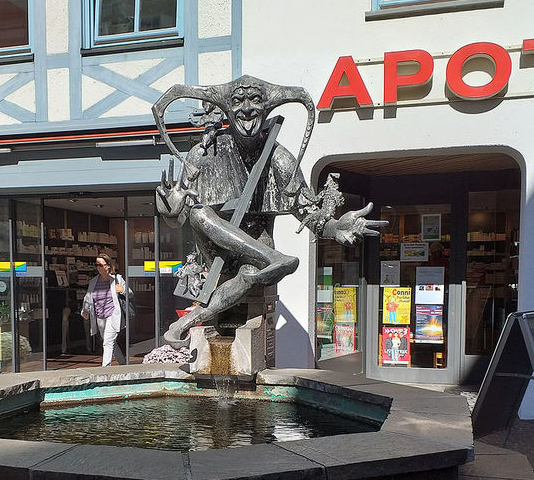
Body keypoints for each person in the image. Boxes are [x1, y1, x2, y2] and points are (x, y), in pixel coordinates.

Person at [153, 75, 385, 348]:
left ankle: (183, 325)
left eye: (255, 101)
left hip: (257, 247)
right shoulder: (204, 153)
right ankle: (277, 259)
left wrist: (335, 227)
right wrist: (169, 209)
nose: (247, 109)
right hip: (217, 247)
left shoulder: (279, 157)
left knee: (251, 274)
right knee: (199, 213)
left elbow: (307, 212)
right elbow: (179, 215)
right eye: (238, 101)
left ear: (266, 110)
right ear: (227, 109)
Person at [81, 253, 130, 366]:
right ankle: (123, 363)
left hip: (113, 314)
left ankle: (105, 368)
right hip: (99, 316)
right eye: (96, 264)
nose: (98, 267)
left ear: (108, 266)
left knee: (108, 341)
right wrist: (85, 309)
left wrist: (122, 290)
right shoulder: (94, 281)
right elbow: (88, 297)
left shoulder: (116, 279)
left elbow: (130, 293)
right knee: (109, 341)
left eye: (100, 265)